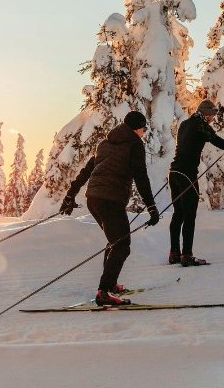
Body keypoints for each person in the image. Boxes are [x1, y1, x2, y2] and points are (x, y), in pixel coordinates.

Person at [60, 110, 160, 306]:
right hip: (110, 200)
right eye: (144, 129)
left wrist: (70, 195)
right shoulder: (134, 144)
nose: (144, 133)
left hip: (94, 199)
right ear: (137, 129)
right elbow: (141, 176)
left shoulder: (105, 143)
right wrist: (152, 207)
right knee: (122, 246)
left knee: (115, 242)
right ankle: (104, 292)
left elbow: (87, 171)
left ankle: (110, 285)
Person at [167, 100, 224, 267]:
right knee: (190, 215)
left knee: (178, 214)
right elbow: (222, 144)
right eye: (212, 115)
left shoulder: (185, 124)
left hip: (174, 173)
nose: (213, 119)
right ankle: (186, 255)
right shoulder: (201, 126)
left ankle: (174, 253)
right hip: (187, 175)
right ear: (206, 114)